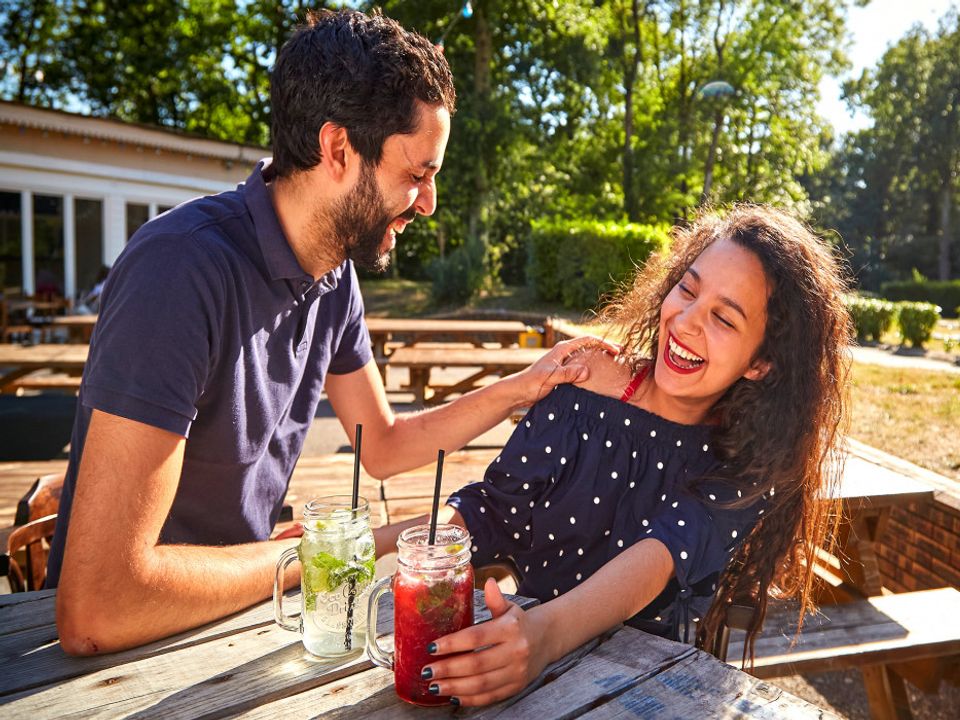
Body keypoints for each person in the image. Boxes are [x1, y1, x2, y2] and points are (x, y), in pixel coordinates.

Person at [50, 9, 612, 656]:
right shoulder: (177, 272)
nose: (428, 203)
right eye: (417, 174)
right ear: (338, 149)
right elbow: (98, 608)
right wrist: (300, 558)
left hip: (239, 620)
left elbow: (384, 445)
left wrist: (524, 387)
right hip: (125, 651)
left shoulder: (332, 271)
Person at [373, 204, 852, 707]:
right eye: (687, 290)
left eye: (724, 319)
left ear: (762, 362)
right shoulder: (583, 389)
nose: (686, 321)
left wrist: (541, 637)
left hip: (654, 692)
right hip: (517, 678)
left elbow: (657, 558)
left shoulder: (748, 468)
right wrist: (367, 545)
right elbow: (493, 508)